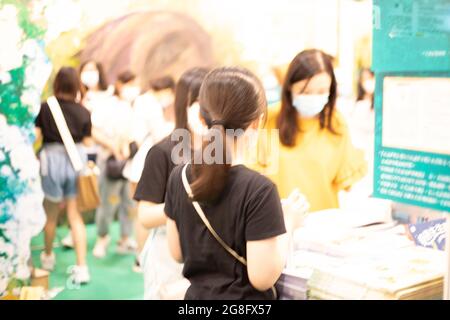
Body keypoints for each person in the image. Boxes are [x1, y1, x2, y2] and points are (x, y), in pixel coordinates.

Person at [164, 67, 309, 300]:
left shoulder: (178, 177)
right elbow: (262, 278)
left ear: (202, 119)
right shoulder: (260, 191)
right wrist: (288, 222)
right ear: (256, 123)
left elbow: (177, 252)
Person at [256, 49, 367, 212]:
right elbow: (252, 178)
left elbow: (348, 182)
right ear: (289, 88)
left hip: (324, 226)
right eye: (305, 91)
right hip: (279, 226)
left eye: (322, 91)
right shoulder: (268, 119)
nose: (313, 97)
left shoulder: (335, 122)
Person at [133, 67, 209, 296]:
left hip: (210, 256)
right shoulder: (163, 152)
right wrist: (183, 205)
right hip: (168, 258)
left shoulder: (223, 153)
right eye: (200, 102)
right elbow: (145, 216)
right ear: (183, 104)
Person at [35, 67, 91, 284]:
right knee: (74, 216)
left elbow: (36, 135)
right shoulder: (83, 111)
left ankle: (48, 257)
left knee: (50, 215)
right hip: (77, 162)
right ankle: (82, 267)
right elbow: (87, 141)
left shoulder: (45, 108)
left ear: (56, 83)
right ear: (77, 84)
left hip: (51, 161)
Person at [61, 61, 112, 249]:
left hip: (104, 154)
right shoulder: (76, 98)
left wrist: (109, 144)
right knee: (78, 194)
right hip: (81, 154)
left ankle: (102, 237)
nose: (90, 74)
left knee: (103, 195)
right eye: (85, 70)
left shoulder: (109, 97)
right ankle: (72, 232)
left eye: (93, 70)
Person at [91, 71, 139, 258]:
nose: (133, 89)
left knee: (129, 202)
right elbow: (94, 130)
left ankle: (125, 237)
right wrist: (112, 146)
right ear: (120, 84)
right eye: (131, 84)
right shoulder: (107, 105)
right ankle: (102, 238)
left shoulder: (133, 105)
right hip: (110, 160)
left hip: (130, 161)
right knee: (107, 201)